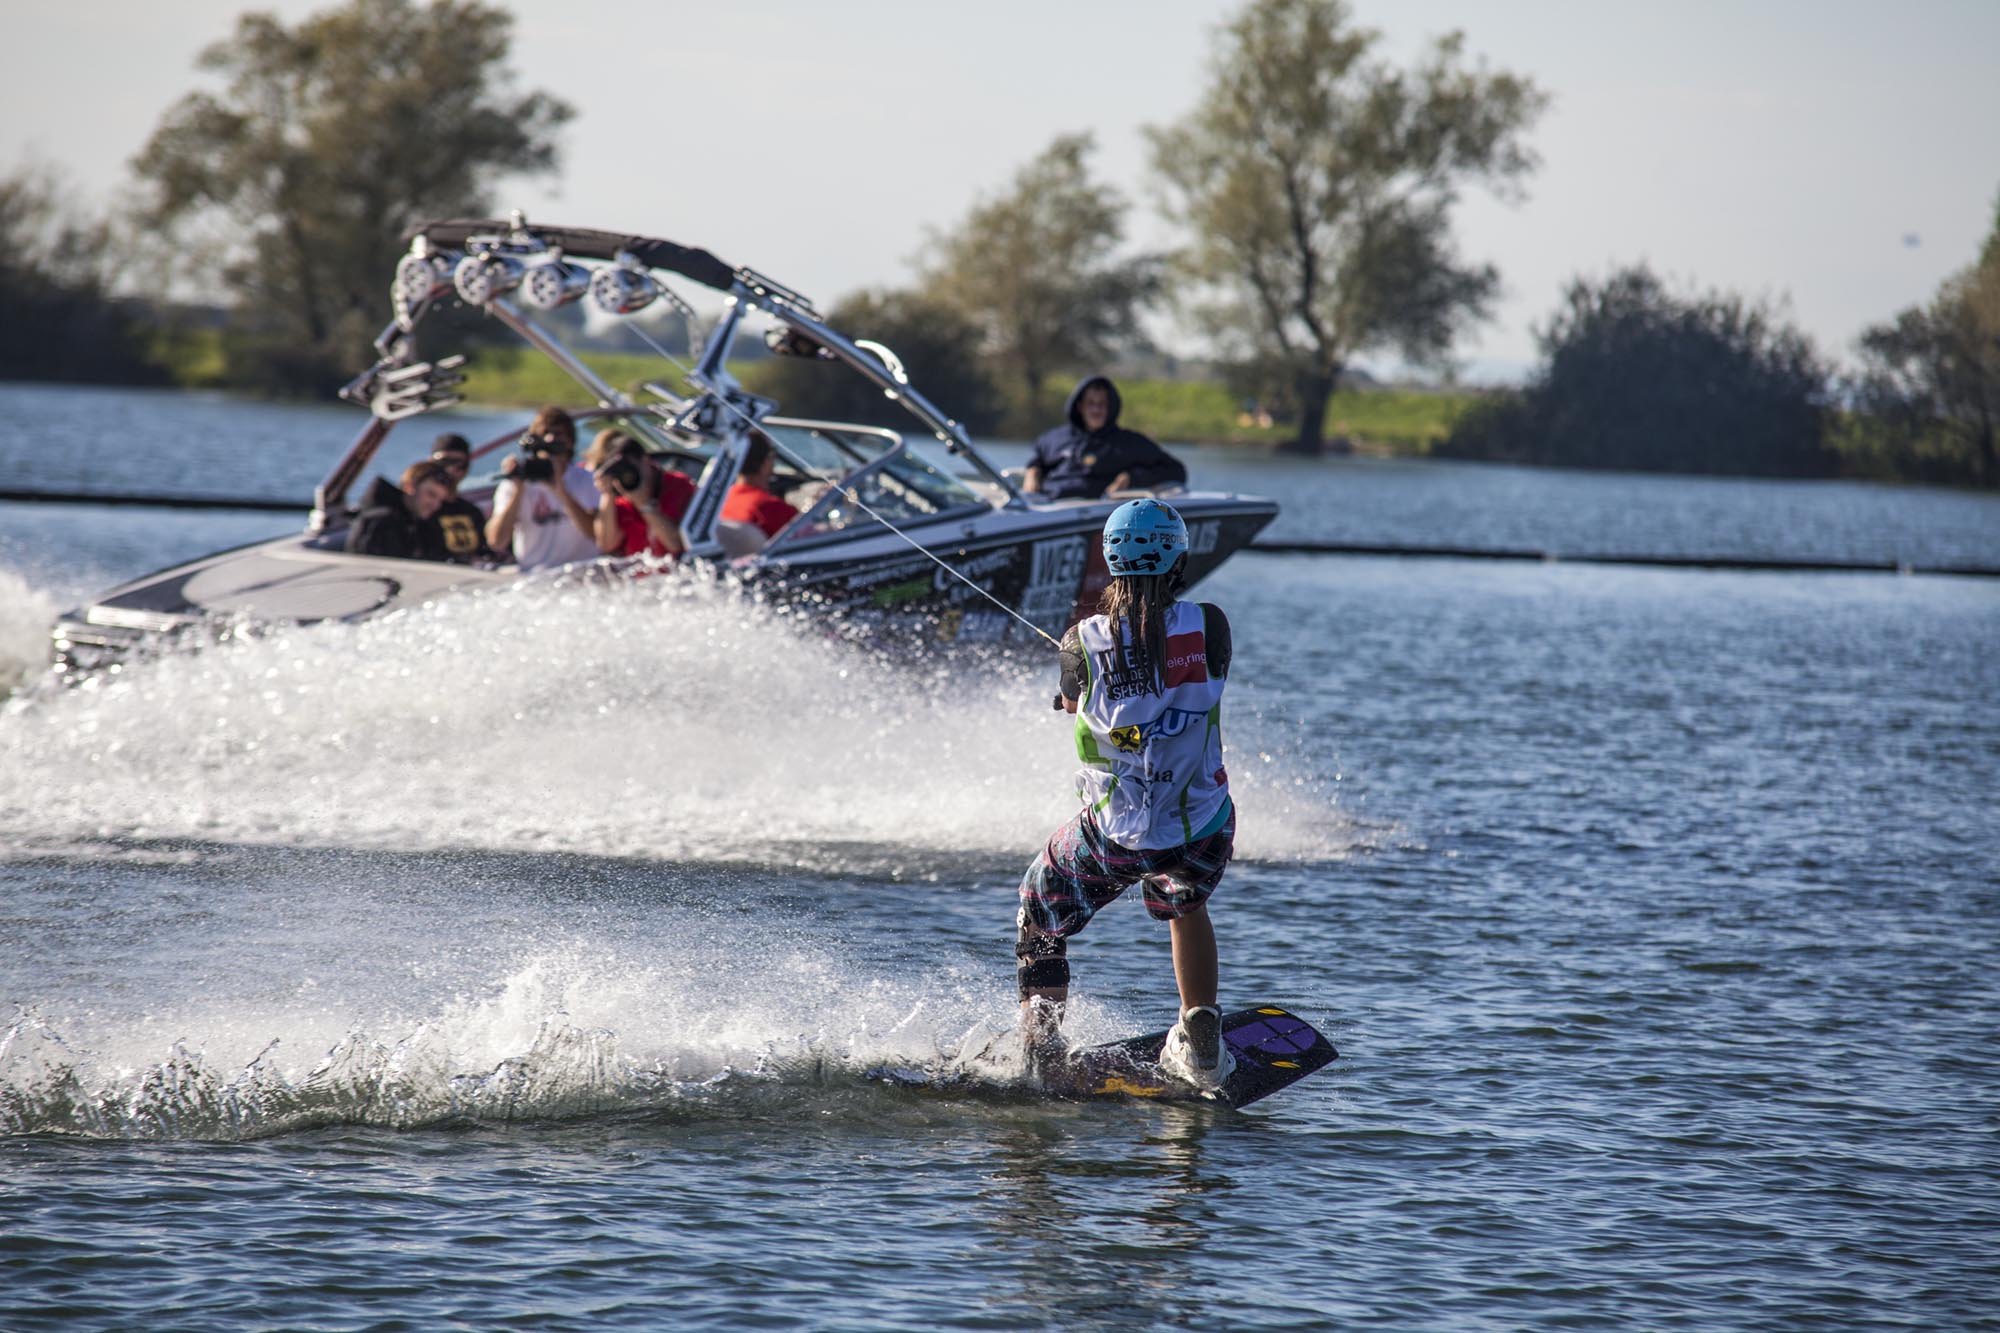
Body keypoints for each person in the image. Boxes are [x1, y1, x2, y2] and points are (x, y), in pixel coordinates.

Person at [1015, 498, 1237, 1092]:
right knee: (1185, 902)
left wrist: (1081, 680)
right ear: (1178, 558)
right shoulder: (1211, 623)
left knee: (1040, 915)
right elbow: (1202, 671)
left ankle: (1042, 1055)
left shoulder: (1078, 641)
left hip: (1117, 834)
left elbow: (1071, 705)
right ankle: (1199, 1031)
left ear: (1111, 562)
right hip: (1204, 827)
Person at [1022, 375, 1187, 500]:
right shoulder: (1055, 438)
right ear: (1079, 407)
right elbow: (1037, 461)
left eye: (1102, 404)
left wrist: (1131, 478)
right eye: (1091, 404)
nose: (1096, 410)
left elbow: (1176, 471)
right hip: (1048, 508)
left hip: (1098, 511)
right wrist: (1032, 475)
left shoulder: (1129, 443)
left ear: (1111, 407)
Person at [483, 405, 599, 570]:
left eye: (558, 434)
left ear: (570, 441)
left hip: (582, 572)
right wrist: (518, 489)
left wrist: (560, 490)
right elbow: (497, 541)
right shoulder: (516, 483)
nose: (550, 440)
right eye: (545, 434)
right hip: (535, 575)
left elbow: (596, 535)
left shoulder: (587, 480)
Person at [586, 428, 694, 558]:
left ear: (645, 460)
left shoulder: (679, 486)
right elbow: (606, 545)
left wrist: (644, 504)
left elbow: (677, 545)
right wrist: (607, 494)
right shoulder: (620, 497)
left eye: (632, 468)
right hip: (641, 574)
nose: (629, 476)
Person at [345, 461, 454, 561]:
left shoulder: (418, 524)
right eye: (431, 494)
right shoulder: (379, 523)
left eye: (440, 500)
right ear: (409, 487)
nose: (435, 505)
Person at [427, 432, 497, 563]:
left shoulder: (471, 512)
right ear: (429, 462)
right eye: (444, 462)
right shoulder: (422, 508)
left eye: (459, 464)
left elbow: (486, 552)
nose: (450, 469)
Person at [720, 433, 800, 540]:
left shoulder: (721, 500)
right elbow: (811, 539)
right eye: (773, 455)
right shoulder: (771, 507)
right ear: (766, 462)